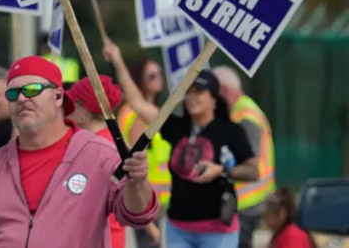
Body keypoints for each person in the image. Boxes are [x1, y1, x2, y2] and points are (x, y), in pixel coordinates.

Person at [0, 56, 158, 247]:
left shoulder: (99, 154)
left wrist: (137, 182)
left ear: (58, 96)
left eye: (32, 90)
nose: (21, 98)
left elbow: (137, 214)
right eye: (13, 93)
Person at [113, 50, 260, 247]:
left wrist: (221, 171)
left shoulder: (230, 131)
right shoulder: (177, 127)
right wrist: (117, 60)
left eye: (199, 92)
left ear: (214, 98)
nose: (191, 98)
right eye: (188, 92)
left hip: (218, 231)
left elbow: (253, 171)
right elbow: (138, 103)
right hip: (178, 229)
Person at [104, 41, 172, 247]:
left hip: (160, 196)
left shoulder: (154, 111)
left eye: (159, 73)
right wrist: (118, 61)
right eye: (151, 75)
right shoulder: (138, 114)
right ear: (139, 80)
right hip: (146, 193)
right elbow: (135, 157)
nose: (158, 79)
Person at [213, 65, 276, 248]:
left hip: (247, 201)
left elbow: (247, 160)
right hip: (245, 200)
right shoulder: (238, 112)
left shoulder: (246, 117)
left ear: (223, 90)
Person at [65, 75, 128, 248]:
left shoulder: (94, 148)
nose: (67, 109)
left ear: (84, 111)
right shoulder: (112, 140)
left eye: (73, 104)